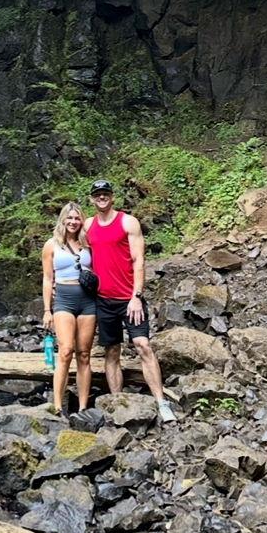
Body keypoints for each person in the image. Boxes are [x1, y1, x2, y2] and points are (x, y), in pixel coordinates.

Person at [84, 179, 176, 423]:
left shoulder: (127, 222)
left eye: (105, 194)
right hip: (103, 300)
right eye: (97, 195)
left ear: (112, 197)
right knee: (112, 351)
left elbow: (139, 260)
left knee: (143, 345)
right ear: (92, 199)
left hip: (129, 298)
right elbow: (77, 254)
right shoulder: (88, 226)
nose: (101, 198)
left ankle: (161, 401)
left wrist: (136, 296)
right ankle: (117, 401)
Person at [41, 201, 97, 415]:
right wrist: (47, 310)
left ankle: (83, 407)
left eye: (77, 218)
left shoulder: (87, 243)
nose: (73, 222)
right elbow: (47, 278)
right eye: (70, 218)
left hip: (87, 300)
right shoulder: (51, 245)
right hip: (64, 299)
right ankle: (57, 405)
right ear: (63, 220)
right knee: (65, 351)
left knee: (84, 354)